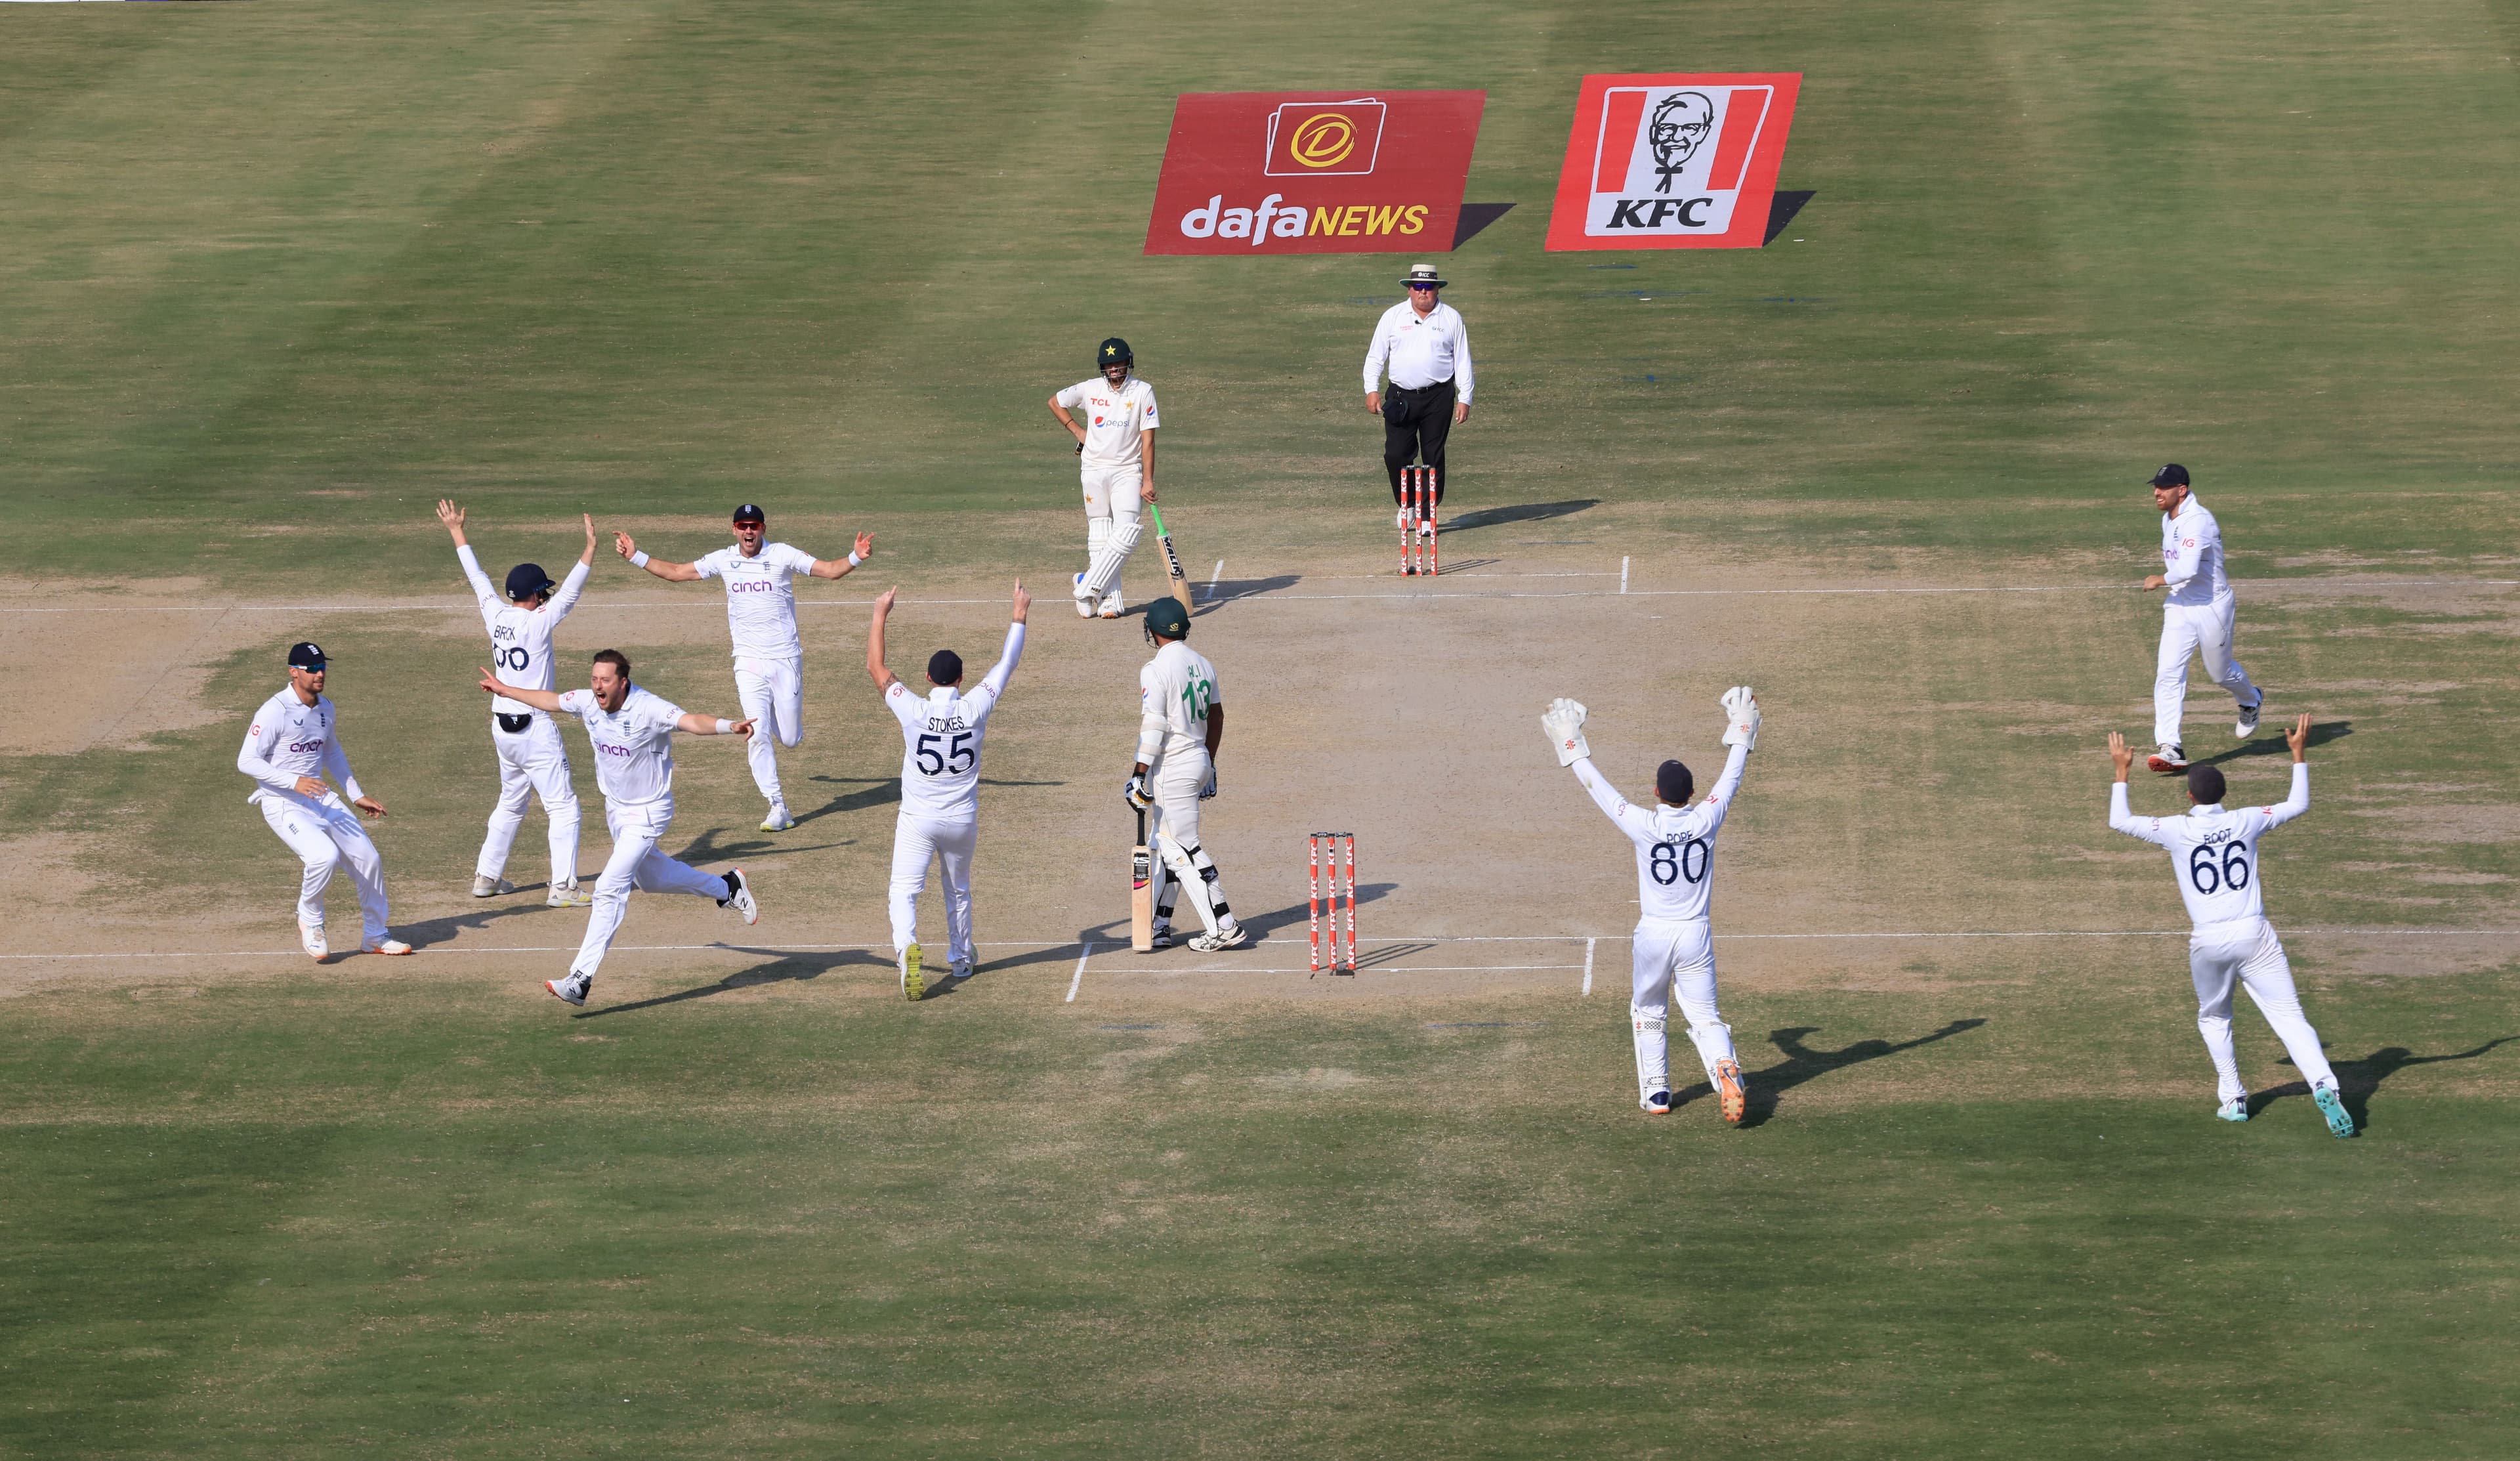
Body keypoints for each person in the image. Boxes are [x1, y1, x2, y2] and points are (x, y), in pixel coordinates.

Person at [2106, 715, 2355, 1137]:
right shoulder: (2246, 819)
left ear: (2189, 795)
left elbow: (2120, 821)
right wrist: (2298, 753)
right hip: (2256, 934)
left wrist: (2121, 771)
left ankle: (2234, 1099)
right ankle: (2324, 1086)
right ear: (2225, 794)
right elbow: (2298, 806)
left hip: (2210, 940)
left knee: (2215, 1017)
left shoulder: (2177, 829)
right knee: (2290, 1017)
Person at [480, 650, 761, 1008]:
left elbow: (692, 721)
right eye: (595, 678)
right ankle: (727, 886)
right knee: (653, 879)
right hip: (617, 812)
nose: (598, 686)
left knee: (609, 888)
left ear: (623, 682)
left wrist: (728, 726)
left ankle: (580, 980)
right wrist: (506, 690)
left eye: (606, 680)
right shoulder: (587, 702)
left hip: (649, 812)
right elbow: (550, 701)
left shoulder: (648, 708)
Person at [1541, 688, 1761, 1120]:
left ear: (1656, 792)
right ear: (1693, 792)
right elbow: (1731, 779)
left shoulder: (1642, 823)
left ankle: (1658, 1094)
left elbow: (1600, 791)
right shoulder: (1707, 818)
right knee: (1705, 1015)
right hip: (1696, 932)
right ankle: (1725, 1068)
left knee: (1649, 1009)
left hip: (1655, 933)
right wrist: (1742, 729)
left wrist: (1571, 743)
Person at [612, 505, 873, 831]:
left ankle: (776, 723)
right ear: (734, 529)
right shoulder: (724, 559)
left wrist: (856, 556)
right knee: (756, 733)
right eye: (742, 526)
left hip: (785, 658)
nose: (749, 532)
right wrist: (637, 556)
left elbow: (830, 570)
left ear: (763, 528)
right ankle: (777, 806)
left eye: (754, 526)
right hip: (748, 662)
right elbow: (679, 572)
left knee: (790, 739)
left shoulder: (782, 555)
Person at [866, 582, 1030, 1000]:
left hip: (918, 820)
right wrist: (1018, 614)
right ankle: (960, 959)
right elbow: (1007, 664)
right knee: (957, 889)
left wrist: (880, 614)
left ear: (927, 678)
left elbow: (876, 668)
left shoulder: (913, 708)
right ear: (960, 679)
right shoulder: (975, 706)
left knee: (903, 891)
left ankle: (907, 951)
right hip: (961, 821)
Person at [436, 500, 596, 906]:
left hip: (502, 726)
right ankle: (563, 888)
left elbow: (478, 579)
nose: (547, 597)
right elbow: (572, 593)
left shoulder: (495, 614)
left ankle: (487, 877)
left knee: (511, 801)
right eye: (544, 591)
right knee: (563, 807)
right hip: (535, 726)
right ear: (536, 595)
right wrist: (589, 550)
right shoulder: (539, 621)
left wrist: (457, 532)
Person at [236, 641, 411, 963]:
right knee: (324, 857)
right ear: (293, 672)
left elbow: (331, 750)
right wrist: (294, 781)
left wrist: (356, 794)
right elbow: (246, 761)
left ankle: (375, 934)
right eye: (312, 669)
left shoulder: (325, 708)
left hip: (320, 797)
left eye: (323, 668)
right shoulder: (275, 710)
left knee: (369, 859)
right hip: (282, 801)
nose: (320, 674)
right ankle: (310, 919)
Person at [1125, 597, 1244, 951]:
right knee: (1164, 845)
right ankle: (1160, 925)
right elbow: (1217, 718)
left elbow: (1155, 723)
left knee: (1183, 850)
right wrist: (1209, 762)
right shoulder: (1204, 665)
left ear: (1153, 630)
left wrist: (1138, 774)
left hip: (1172, 768)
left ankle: (1224, 925)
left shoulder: (1155, 669)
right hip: (1198, 760)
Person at [2141, 464, 2263, 773]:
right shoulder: (2168, 519)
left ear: (2181, 490)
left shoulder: (2198, 521)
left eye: (2164, 487)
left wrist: (2158, 579)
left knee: (2220, 674)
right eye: (2156, 486)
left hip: (2212, 606)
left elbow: (2188, 569)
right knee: (2168, 673)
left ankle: (2251, 700)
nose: (2157, 492)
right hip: (2180, 606)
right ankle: (2171, 747)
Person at [1051, 337, 1160, 620]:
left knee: (1127, 532)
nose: (1114, 369)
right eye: (1109, 364)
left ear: (1128, 362)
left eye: (1119, 363)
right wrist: (1077, 431)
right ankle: (1109, 600)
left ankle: (1085, 585)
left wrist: (1148, 480)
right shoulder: (1090, 389)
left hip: (1128, 470)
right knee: (1099, 533)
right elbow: (1056, 401)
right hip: (1094, 470)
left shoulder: (1143, 392)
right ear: (1103, 367)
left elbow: (1148, 440)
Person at [1363, 263, 1474, 526]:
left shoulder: (1451, 318)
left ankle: (1427, 513)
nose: (1423, 292)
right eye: (1418, 287)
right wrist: (1371, 389)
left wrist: (1465, 397)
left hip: (1438, 396)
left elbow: (1462, 360)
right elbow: (1376, 357)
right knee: (1396, 454)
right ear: (1409, 290)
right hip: (1400, 397)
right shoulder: (1393, 316)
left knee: (1433, 455)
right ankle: (1408, 504)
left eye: (1429, 287)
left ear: (1437, 290)